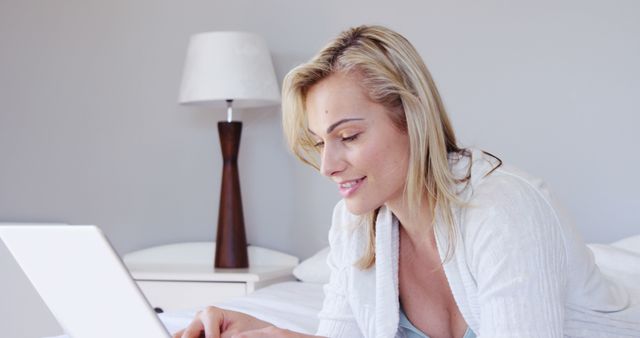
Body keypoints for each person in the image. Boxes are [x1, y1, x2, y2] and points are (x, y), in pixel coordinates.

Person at [174, 25, 640, 338]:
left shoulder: (503, 209)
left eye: (349, 136)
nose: (328, 166)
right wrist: (264, 332)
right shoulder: (355, 225)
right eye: (320, 143)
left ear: (411, 119)